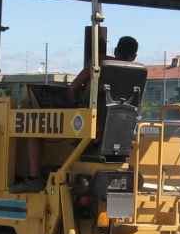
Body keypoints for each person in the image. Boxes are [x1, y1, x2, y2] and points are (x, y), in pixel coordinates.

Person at [11, 35, 140, 194]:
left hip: (87, 118)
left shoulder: (100, 62)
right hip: (119, 125)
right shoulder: (138, 71)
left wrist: (73, 101)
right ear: (134, 56)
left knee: (34, 127)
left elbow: (74, 86)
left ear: (115, 50)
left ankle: (34, 177)